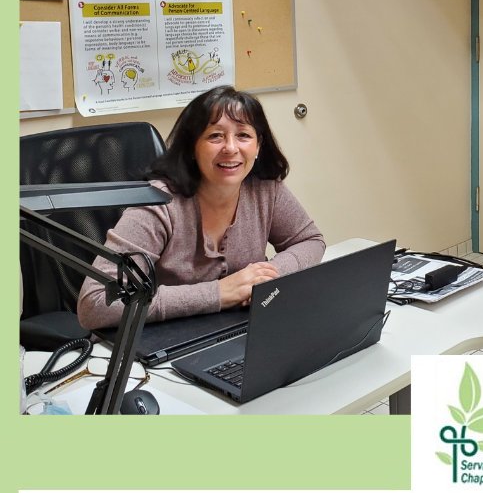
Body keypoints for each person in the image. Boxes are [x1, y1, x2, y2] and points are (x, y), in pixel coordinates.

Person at [77, 86, 326, 330]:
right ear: (193, 148)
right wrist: (219, 293)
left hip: (239, 333)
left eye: (243, 135)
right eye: (215, 135)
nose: (231, 148)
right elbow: (95, 303)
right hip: (164, 347)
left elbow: (310, 241)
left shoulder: (265, 190)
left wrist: (266, 277)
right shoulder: (158, 204)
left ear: (258, 146)